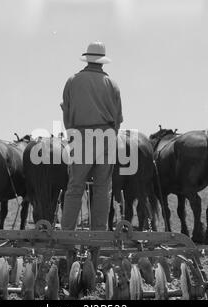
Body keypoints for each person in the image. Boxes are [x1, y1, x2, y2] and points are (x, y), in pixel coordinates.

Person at [60, 41, 123, 269]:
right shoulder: (112, 83)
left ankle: (66, 237)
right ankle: (98, 239)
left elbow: (66, 114)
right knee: (102, 189)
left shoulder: (72, 81)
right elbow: (118, 119)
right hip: (106, 135)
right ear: (102, 60)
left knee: (75, 186)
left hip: (81, 135)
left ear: (87, 58)